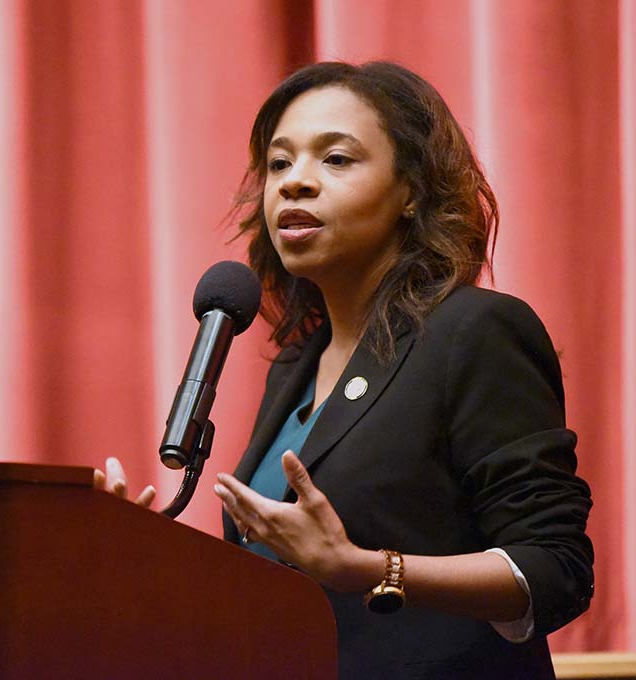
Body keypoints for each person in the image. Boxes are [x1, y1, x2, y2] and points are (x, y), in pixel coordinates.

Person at [98, 61, 593, 679]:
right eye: (279, 164)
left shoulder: (474, 332)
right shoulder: (295, 368)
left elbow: (555, 569)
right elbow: (277, 586)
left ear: (410, 191)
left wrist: (371, 568)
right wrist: (143, 556)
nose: (294, 184)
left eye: (335, 159)